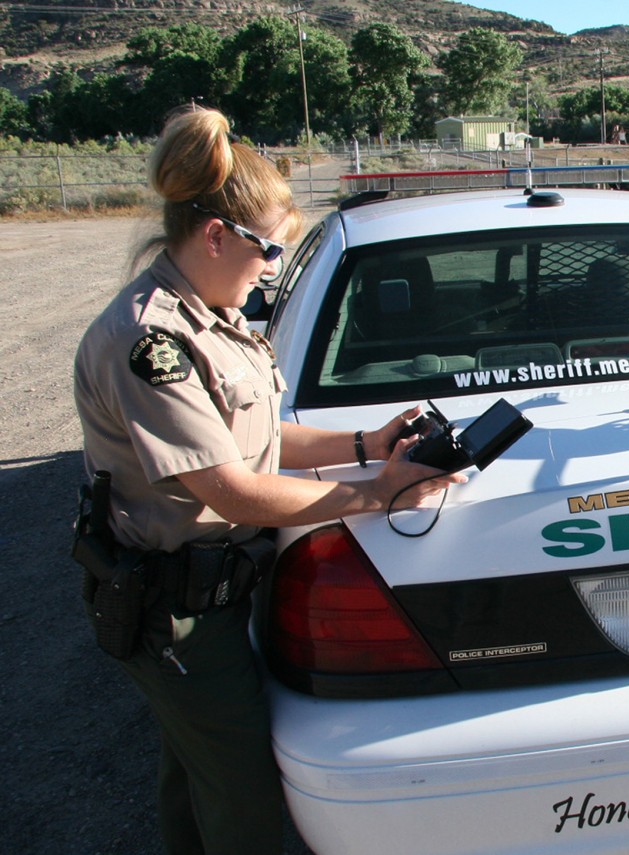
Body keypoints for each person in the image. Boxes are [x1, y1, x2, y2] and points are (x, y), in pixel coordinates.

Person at [72, 105, 465, 855]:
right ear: (216, 235)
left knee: (198, 770)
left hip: (213, 595)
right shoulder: (149, 340)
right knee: (242, 791)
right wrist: (377, 490)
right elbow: (231, 487)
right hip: (172, 609)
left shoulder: (216, 316)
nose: (271, 271)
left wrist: (364, 440)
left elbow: (256, 438)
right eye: (271, 253)